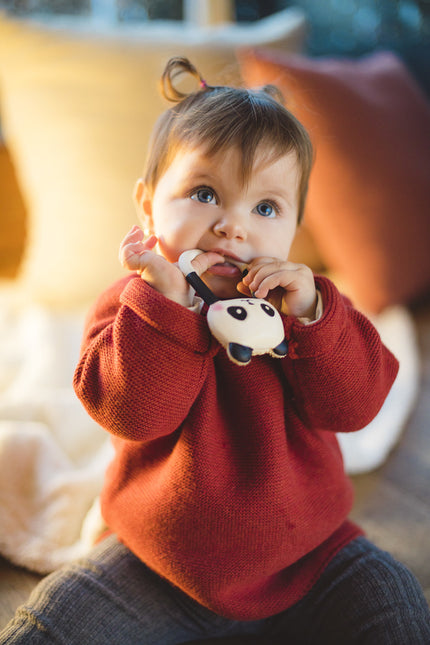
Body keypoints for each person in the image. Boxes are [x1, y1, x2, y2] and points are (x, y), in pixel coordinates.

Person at [2, 56, 429, 645]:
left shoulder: (307, 313)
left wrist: (312, 318)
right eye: (204, 193)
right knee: (48, 626)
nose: (233, 227)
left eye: (266, 208)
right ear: (148, 205)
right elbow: (135, 414)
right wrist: (167, 310)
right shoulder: (130, 308)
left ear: (294, 228)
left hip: (311, 559)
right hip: (156, 564)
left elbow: (354, 408)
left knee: (397, 606)